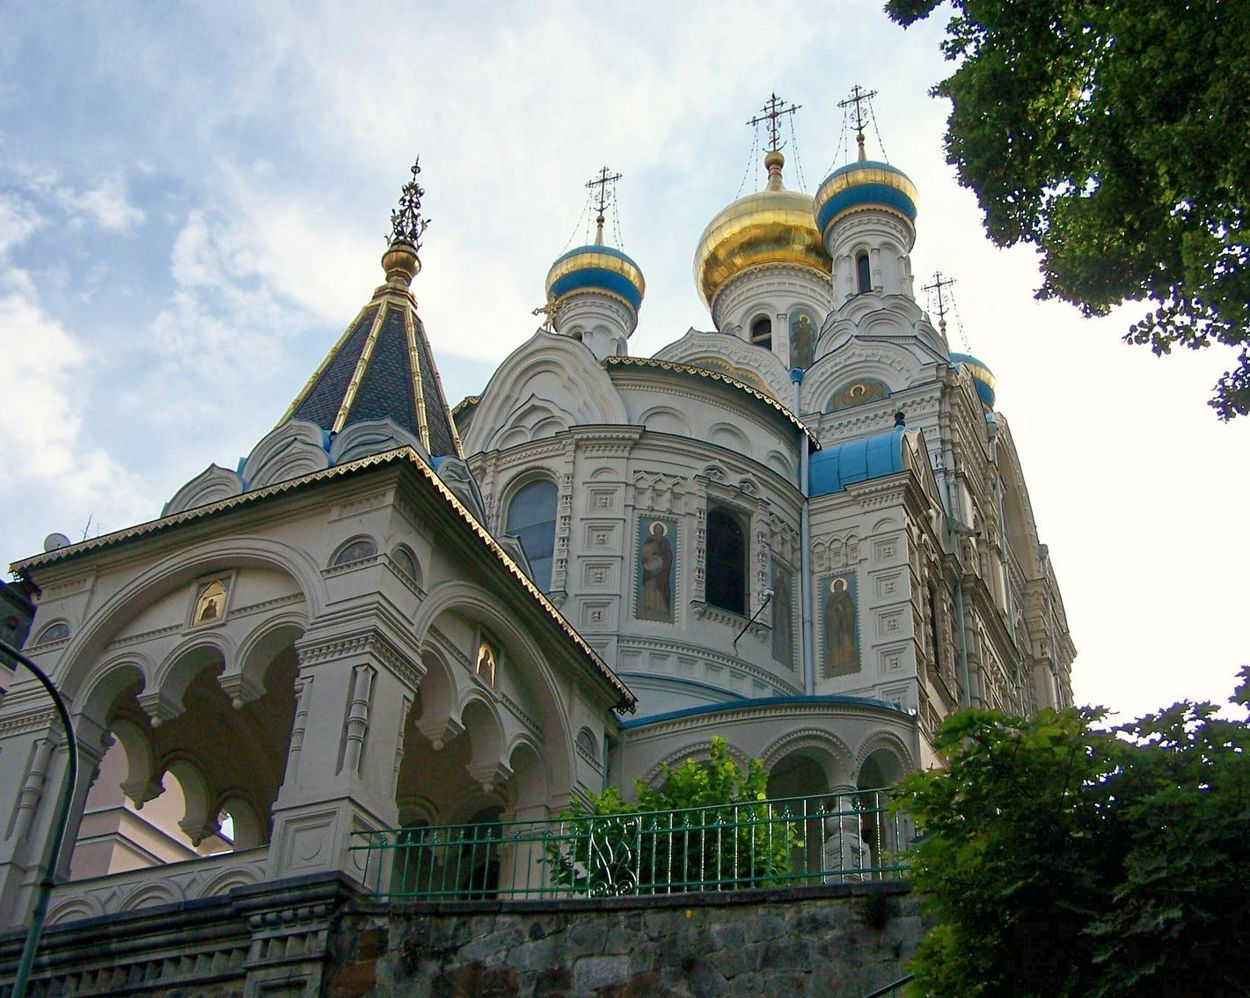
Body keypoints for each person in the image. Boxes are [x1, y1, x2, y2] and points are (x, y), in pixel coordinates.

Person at [639, 520, 673, 619]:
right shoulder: (649, 540)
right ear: (653, 530)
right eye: (656, 529)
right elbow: (645, 553)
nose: (658, 531)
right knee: (650, 585)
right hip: (650, 569)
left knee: (662, 587)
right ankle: (649, 605)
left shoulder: (665, 541)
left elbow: (669, 555)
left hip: (662, 570)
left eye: (659, 529)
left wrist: (662, 560)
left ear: (662, 530)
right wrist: (648, 559)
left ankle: (663, 608)